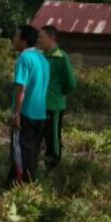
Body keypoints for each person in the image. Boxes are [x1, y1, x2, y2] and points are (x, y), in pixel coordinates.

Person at [7, 25, 49, 186]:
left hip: (25, 114)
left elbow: (21, 87)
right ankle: (29, 184)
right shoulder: (42, 59)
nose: (13, 39)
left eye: (16, 36)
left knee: (19, 154)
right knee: (32, 153)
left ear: (23, 40)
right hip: (40, 114)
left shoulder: (24, 58)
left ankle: (18, 185)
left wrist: (16, 114)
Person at [37, 24, 76, 170]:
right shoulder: (40, 57)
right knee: (37, 138)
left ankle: (54, 167)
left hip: (54, 106)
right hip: (38, 106)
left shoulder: (61, 57)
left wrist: (58, 94)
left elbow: (70, 83)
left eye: (42, 37)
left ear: (51, 38)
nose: (39, 40)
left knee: (53, 139)